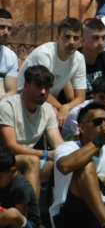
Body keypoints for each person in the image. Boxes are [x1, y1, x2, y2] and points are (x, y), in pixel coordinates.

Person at [0, 65, 64, 198]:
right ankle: (33, 217)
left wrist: (69, 153)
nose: (43, 92)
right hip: (5, 160)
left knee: (66, 163)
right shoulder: (8, 106)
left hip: (30, 161)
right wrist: (45, 154)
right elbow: (11, 146)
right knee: (32, 161)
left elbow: (58, 143)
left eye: (47, 87)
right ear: (26, 85)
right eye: (38, 86)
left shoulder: (48, 110)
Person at [17, 18, 87, 129]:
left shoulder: (79, 59)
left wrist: (66, 107)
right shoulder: (44, 54)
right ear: (58, 38)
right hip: (26, 97)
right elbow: (41, 90)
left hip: (48, 101)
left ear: (81, 41)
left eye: (76, 38)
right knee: (53, 114)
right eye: (67, 37)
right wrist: (61, 108)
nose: (72, 42)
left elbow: (80, 97)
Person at [0, 146, 42, 228]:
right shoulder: (4, 181)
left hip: (27, 224)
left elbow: (20, 217)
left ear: (13, 171)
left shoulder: (20, 187)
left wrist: (3, 211)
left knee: (12, 214)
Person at [0, 10, 19, 97]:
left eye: (9, 28)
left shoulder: (11, 57)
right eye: (1, 27)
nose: (6, 32)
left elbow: (12, 91)